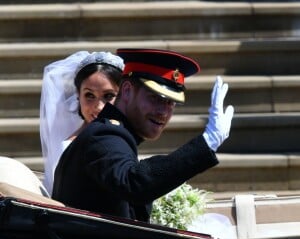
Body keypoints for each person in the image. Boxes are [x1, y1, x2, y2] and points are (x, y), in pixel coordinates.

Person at [52, 48, 234, 223]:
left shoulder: (115, 134)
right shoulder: (103, 135)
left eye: (171, 103)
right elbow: (132, 183)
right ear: (127, 90)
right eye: (155, 98)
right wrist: (207, 142)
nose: (163, 112)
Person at [39, 51, 124, 195]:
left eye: (108, 96)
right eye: (89, 95)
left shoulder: (125, 136)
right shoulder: (68, 146)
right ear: (78, 95)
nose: (99, 107)